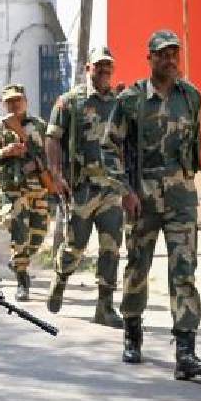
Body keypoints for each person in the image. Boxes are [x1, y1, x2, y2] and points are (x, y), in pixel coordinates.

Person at [101, 30, 201, 379]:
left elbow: (193, 145)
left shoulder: (192, 96)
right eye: (162, 54)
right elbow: (109, 147)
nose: (169, 59)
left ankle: (185, 352)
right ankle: (132, 333)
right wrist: (124, 189)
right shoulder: (131, 100)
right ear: (149, 58)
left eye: (173, 53)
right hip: (143, 197)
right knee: (138, 266)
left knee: (184, 270)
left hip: (181, 196)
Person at [45, 47, 124, 328]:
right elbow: (52, 138)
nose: (104, 70)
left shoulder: (119, 103)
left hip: (112, 189)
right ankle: (60, 278)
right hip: (81, 188)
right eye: (99, 66)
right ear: (89, 68)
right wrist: (55, 173)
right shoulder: (70, 102)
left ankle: (105, 306)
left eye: (108, 66)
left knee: (111, 248)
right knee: (74, 247)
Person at [0, 84, 51, 302]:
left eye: (18, 100)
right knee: (20, 235)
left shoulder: (39, 125)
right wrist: (6, 152)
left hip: (38, 189)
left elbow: (50, 154)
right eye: (10, 101)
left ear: (26, 101)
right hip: (13, 192)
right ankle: (23, 280)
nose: (14, 104)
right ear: (4, 104)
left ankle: (18, 262)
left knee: (39, 235)